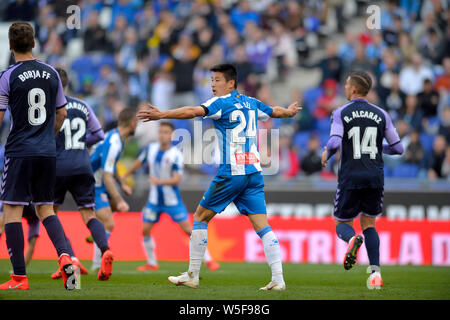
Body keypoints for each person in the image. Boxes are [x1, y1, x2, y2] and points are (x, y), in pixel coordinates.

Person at [137, 63, 301, 290]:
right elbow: (275, 111)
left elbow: (193, 111)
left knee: (200, 217)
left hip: (231, 172)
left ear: (231, 83)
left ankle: (192, 275)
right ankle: (278, 279)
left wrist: (162, 114)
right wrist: (290, 112)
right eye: (211, 80)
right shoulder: (252, 103)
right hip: (253, 172)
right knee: (262, 227)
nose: (212, 85)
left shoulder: (220, 103)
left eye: (217, 80)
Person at [0, 22, 76, 290]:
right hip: (47, 152)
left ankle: (19, 278)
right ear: (34, 44)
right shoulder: (52, 73)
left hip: (19, 151)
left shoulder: (7, 76)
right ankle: (66, 256)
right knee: (46, 209)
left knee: (11, 212)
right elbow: (62, 113)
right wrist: (47, 137)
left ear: (10, 46)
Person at [321, 70, 404, 289]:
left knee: (341, 223)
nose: (345, 88)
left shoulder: (341, 112)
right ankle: (375, 274)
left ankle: (351, 240)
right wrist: (378, 147)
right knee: (369, 224)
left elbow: (335, 142)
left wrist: (326, 153)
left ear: (354, 89)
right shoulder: (381, 114)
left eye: (347, 84)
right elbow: (398, 148)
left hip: (351, 176)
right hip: (375, 176)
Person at [122, 121, 220, 271]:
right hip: (154, 200)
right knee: (145, 229)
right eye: (161, 132)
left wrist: (159, 181)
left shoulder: (175, 155)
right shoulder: (151, 149)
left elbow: (177, 179)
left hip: (172, 201)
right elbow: (139, 162)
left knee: (188, 230)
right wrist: (125, 175)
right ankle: (152, 262)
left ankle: (209, 260)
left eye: (166, 132)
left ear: (172, 135)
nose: (162, 135)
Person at [50, 67, 113, 281]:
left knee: (51, 214)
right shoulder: (83, 105)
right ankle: (105, 250)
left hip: (57, 167)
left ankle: (71, 263)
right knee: (88, 215)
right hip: (82, 165)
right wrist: (77, 145)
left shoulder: (49, 106)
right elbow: (99, 134)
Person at [89, 107, 137, 270]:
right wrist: (119, 199)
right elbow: (107, 175)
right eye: (137, 122)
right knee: (109, 223)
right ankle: (97, 264)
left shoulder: (115, 136)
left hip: (98, 182)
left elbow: (110, 167)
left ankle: (95, 232)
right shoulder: (114, 143)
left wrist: (122, 184)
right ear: (132, 123)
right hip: (93, 184)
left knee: (109, 216)